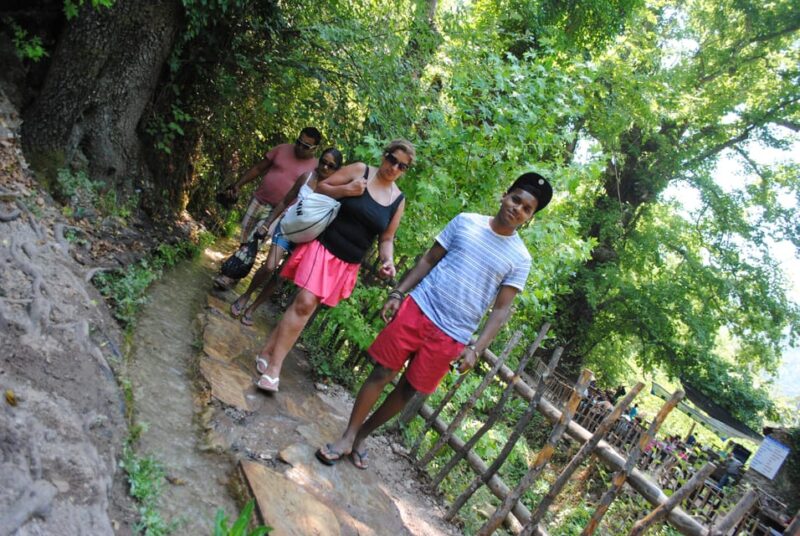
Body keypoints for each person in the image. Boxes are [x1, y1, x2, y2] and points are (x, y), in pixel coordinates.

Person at [316, 172, 553, 469]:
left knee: (407, 390)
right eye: (516, 199)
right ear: (505, 195)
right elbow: (429, 259)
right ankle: (348, 435)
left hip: (453, 335)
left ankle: (363, 435)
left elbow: (501, 310)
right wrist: (398, 293)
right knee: (381, 372)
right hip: (420, 308)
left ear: (529, 218)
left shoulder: (520, 258)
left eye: (526, 208)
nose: (518, 208)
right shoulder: (466, 221)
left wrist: (476, 348)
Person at [253, 140, 415, 392]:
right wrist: (348, 190)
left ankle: (268, 350)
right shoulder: (360, 170)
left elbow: (387, 238)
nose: (394, 167)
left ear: (405, 171)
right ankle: (274, 368)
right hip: (324, 246)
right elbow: (322, 187)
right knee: (305, 303)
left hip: (346, 263)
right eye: (392, 159)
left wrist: (388, 261)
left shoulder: (398, 200)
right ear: (385, 155)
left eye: (402, 166)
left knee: (304, 306)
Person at [230, 148, 344, 325]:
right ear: (319, 160)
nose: (325, 167)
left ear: (336, 170)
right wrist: (268, 223)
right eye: (323, 161)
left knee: (281, 275)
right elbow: (285, 201)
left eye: (331, 166)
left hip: (307, 240)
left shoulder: (336, 191)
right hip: (287, 227)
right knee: (269, 267)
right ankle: (246, 295)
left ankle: (253, 308)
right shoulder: (306, 177)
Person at [214, 127, 322, 289]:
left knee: (254, 239)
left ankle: (227, 276)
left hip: (280, 211)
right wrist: (238, 185)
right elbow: (258, 168)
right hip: (259, 200)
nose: (300, 147)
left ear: (315, 148)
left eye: (306, 146)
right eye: (298, 142)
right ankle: (236, 271)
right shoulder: (282, 149)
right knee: (244, 238)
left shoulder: (316, 168)